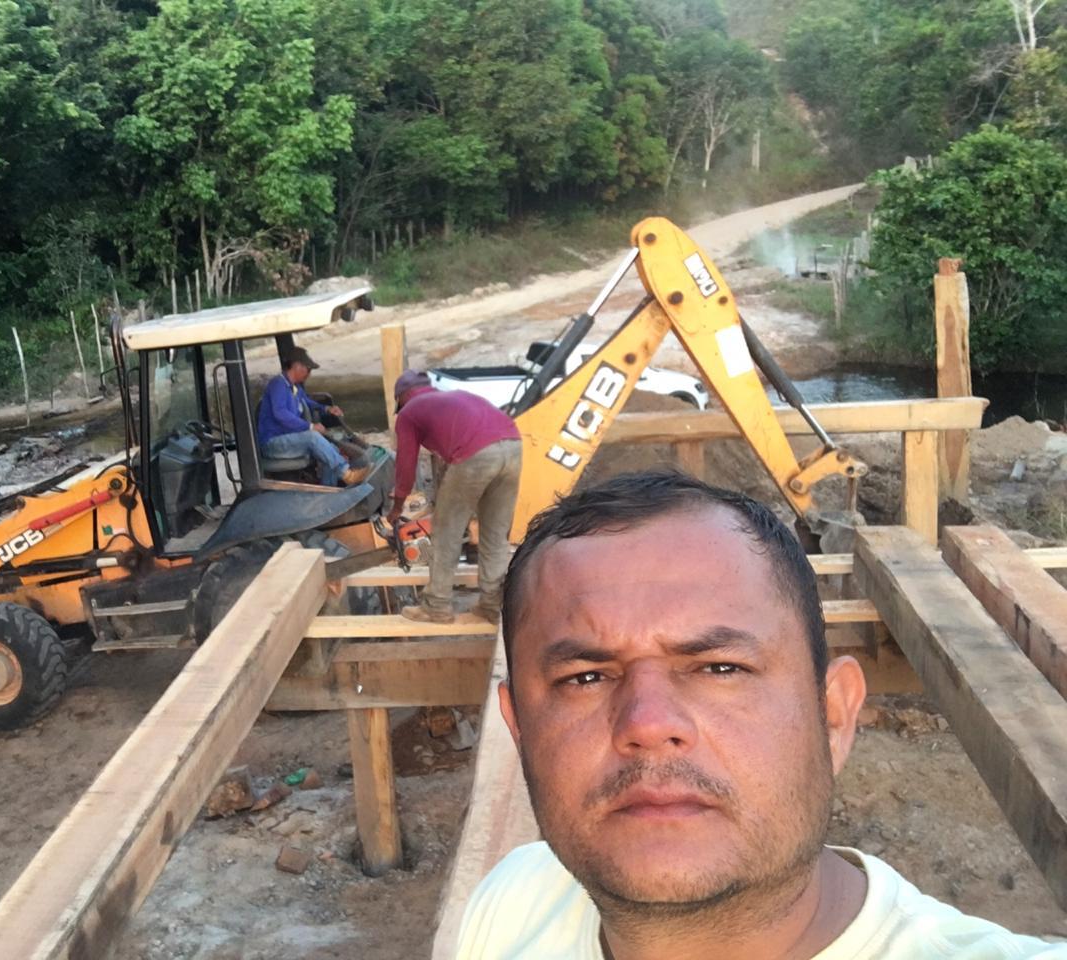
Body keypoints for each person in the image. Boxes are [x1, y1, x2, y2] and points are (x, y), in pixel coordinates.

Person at [457, 471, 1066, 960]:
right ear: (519, 729)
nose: (646, 722)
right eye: (585, 678)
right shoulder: (515, 900)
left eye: (720, 667)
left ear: (832, 714)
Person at [388, 370, 522, 625]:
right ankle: (493, 606)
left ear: (403, 397)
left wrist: (397, 506)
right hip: (514, 445)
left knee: (445, 531)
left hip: (477, 453)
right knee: (494, 535)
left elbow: (405, 464)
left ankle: (436, 606)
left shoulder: (408, 413)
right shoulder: (456, 398)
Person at [257, 346, 370, 487]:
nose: (309, 374)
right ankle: (347, 474)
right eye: (308, 369)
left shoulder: (294, 387)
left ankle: (329, 488)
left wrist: (327, 409)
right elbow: (281, 414)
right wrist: (310, 426)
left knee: (331, 449)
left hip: (289, 439)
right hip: (273, 443)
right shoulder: (278, 384)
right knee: (313, 437)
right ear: (297, 366)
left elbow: (307, 401)